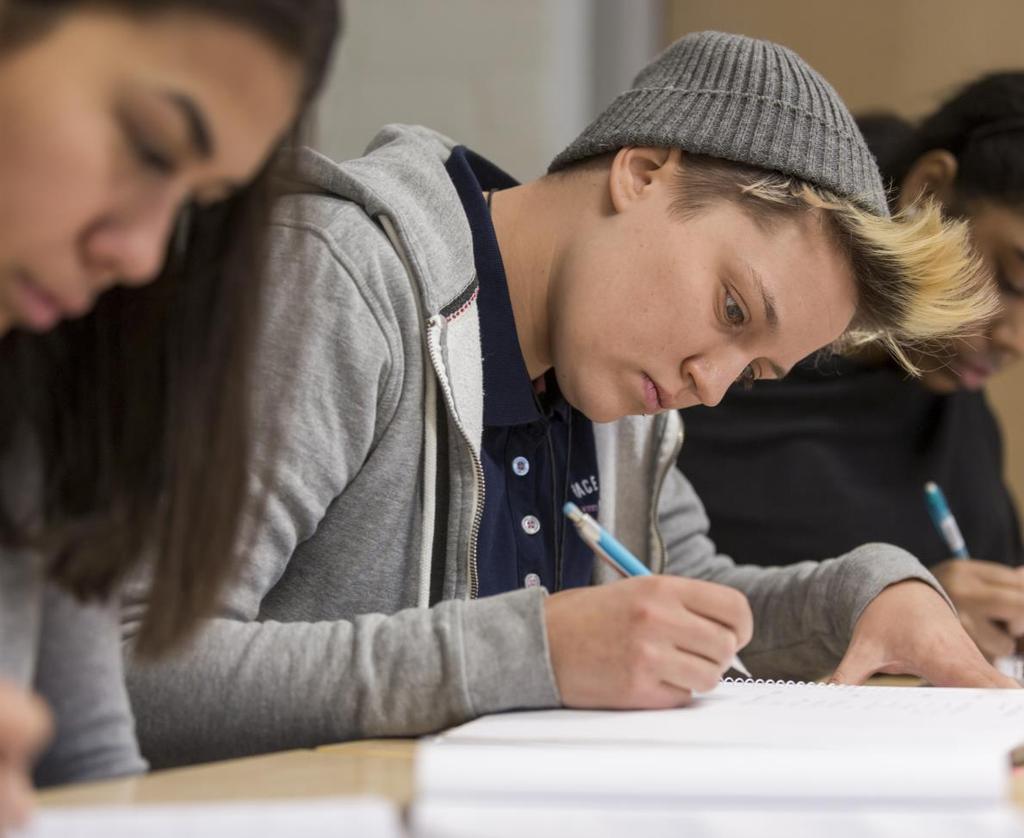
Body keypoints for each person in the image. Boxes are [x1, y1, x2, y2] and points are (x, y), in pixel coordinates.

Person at [125, 30, 1013, 771]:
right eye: (733, 310)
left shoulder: (628, 381)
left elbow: (684, 595)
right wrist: (533, 653)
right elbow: (139, 667)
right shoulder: (341, 283)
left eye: (752, 371)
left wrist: (866, 595)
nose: (710, 384)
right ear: (645, 171)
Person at [0, 0, 339, 827]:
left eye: (195, 205)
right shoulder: (354, 285)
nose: (143, 255)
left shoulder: (44, 382)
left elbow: (89, 766)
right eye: (150, 147)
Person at [676, 72, 1024, 662]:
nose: (1014, 340)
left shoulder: (956, 422)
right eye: (1014, 280)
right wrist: (895, 607)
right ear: (929, 188)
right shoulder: (694, 363)